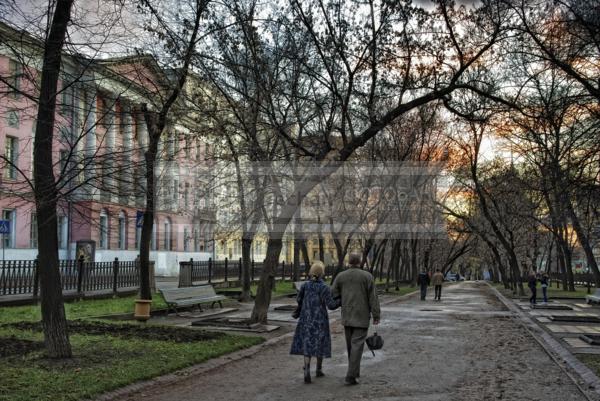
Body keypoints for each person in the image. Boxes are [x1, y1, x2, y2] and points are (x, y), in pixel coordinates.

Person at [332, 253, 380, 385]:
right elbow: (373, 298)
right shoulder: (367, 276)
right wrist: (376, 315)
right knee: (357, 346)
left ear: (349, 262)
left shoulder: (341, 276)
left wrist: (344, 298)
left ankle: (354, 372)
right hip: (362, 316)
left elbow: (333, 293)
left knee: (351, 347)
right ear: (360, 262)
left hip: (347, 315)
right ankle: (351, 376)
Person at [290, 261, 340, 384]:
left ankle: (307, 368)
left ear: (311, 272)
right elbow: (331, 305)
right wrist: (341, 300)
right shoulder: (324, 287)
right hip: (320, 320)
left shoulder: (305, 286)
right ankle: (318, 369)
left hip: (306, 319)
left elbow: (299, 299)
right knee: (319, 343)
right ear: (322, 273)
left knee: (307, 343)